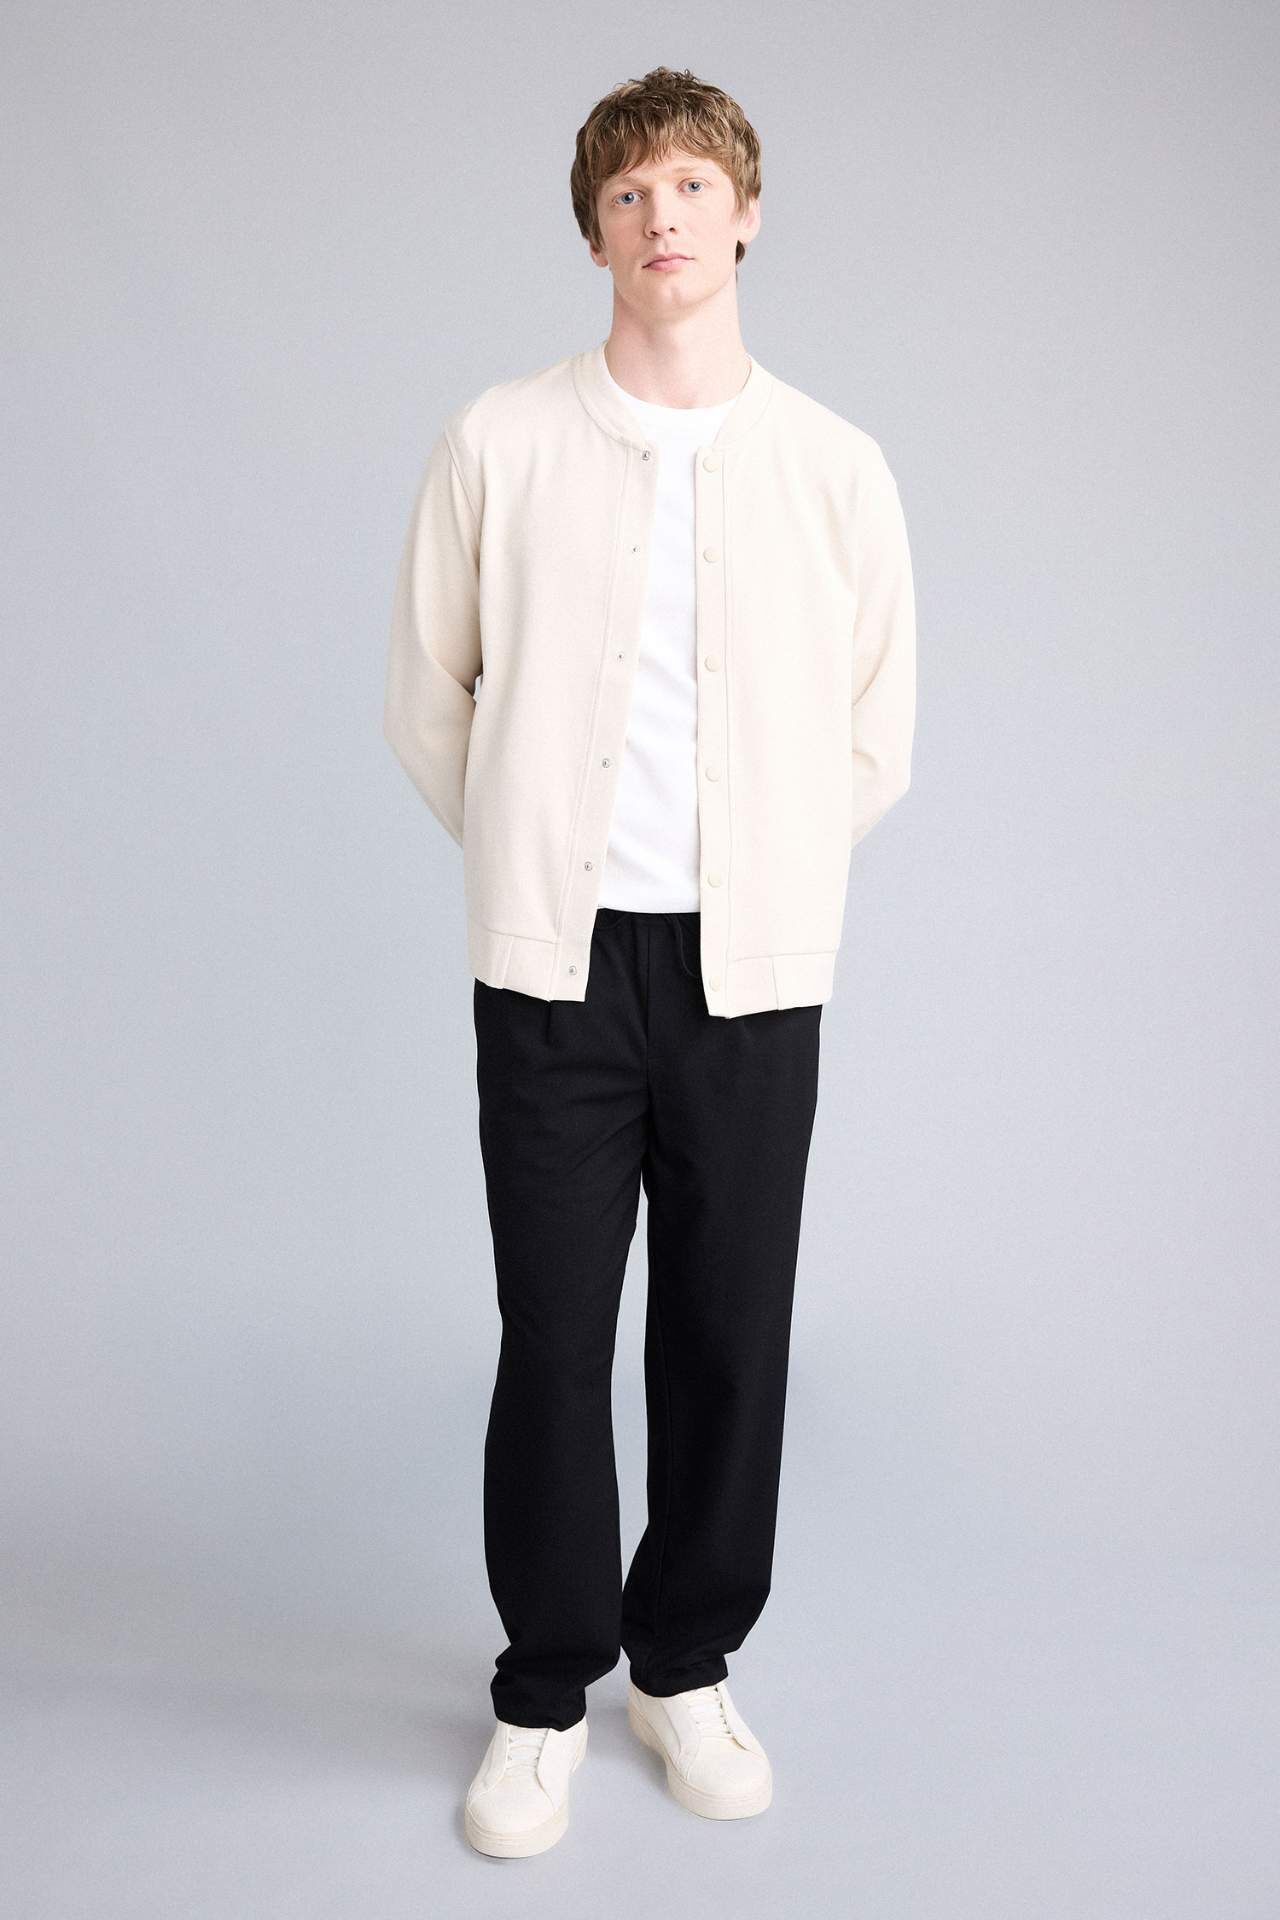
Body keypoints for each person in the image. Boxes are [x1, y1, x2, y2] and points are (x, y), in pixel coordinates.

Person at [383, 64, 917, 1858]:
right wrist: (537, 856)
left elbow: (878, 729)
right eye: (627, 195)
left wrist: (765, 878)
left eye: (690, 186)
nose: (661, 217)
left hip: (751, 976)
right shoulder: (500, 442)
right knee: (553, 1331)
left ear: (745, 215)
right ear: (595, 234)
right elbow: (428, 695)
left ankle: (684, 1664)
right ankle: (545, 1689)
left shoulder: (835, 468)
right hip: (554, 971)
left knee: (727, 1326)